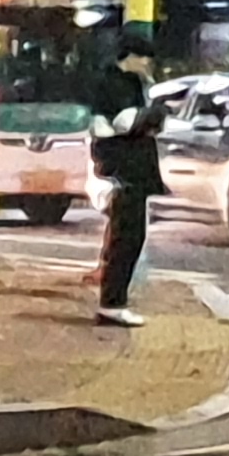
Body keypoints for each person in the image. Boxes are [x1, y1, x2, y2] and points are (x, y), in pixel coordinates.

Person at [86, 42, 164, 325]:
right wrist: (153, 114)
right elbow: (124, 124)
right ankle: (112, 303)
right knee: (126, 238)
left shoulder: (129, 83)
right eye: (143, 58)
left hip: (129, 172)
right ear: (129, 57)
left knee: (127, 237)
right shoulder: (116, 86)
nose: (147, 64)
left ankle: (114, 301)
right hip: (125, 173)